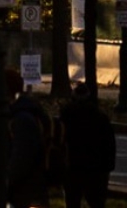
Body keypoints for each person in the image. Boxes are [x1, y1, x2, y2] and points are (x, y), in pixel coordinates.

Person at [57, 76, 115, 208]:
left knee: (72, 201)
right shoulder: (100, 117)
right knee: (96, 202)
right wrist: (108, 166)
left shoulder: (66, 115)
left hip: (73, 166)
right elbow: (109, 145)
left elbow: (60, 141)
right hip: (96, 167)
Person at [10, 70, 55, 208]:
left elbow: (20, 160)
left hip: (26, 193)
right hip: (35, 190)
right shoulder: (29, 112)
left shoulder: (20, 119)